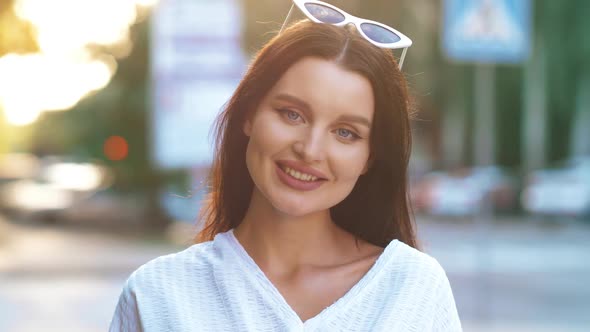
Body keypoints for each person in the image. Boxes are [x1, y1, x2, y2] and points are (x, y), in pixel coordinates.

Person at [110, 1, 462, 331]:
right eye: (291, 114)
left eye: (345, 132)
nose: (310, 150)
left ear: (370, 156)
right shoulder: (157, 296)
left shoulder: (413, 288)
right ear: (249, 113)